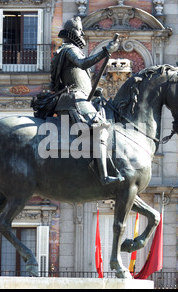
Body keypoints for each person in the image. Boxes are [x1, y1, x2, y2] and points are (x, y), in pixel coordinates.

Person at [50, 17, 123, 185]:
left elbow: (77, 77)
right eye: (80, 30)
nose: (82, 33)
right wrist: (106, 51)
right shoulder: (69, 49)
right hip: (74, 99)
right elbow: (82, 64)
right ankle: (104, 176)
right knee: (100, 127)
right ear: (74, 32)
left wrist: (93, 91)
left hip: (78, 96)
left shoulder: (67, 50)